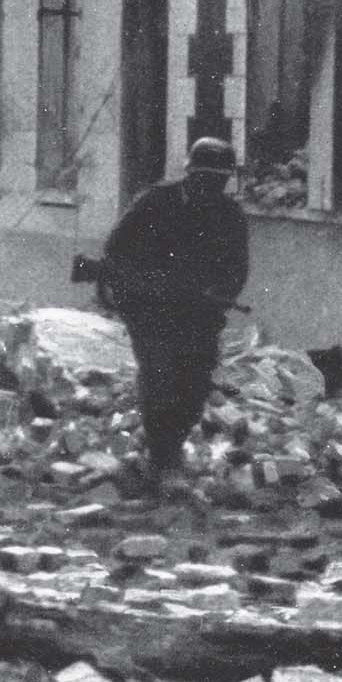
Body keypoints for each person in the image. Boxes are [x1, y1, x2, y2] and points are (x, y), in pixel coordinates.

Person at [100, 136, 249, 491]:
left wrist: (219, 294)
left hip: (198, 316)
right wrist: (140, 287)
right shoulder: (156, 203)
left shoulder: (229, 215)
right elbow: (116, 250)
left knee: (194, 385)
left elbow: (237, 269)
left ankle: (171, 450)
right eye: (205, 180)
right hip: (152, 313)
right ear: (191, 175)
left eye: (219, 181)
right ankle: (162, 460)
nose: (211, 188)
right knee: (160, 379)